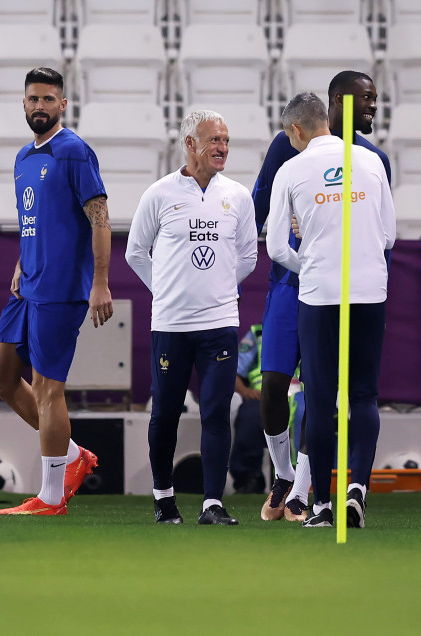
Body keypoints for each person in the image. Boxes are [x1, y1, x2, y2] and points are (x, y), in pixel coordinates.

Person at [251, 71, 390, 523]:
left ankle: (314, 498)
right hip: (320, 288)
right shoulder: (287, 150)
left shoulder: (372, 158)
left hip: (319, 288)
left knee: (322, 394)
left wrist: (310, 253)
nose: (372, 106)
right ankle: (302, 480)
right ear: (336, 103)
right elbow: (389, 236)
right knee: (281, 385)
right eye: (365, 98)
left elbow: (277, 244)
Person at [0, 67, 113, 516]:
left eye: (48, 99)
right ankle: (73, 454)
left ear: (63, 105)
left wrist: (99, 282)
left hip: (62, 288)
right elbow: (33, 220)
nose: (40, 106)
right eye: (33, 99)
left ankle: (52, 496)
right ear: (23, 104)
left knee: (46, 388)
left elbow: (99, 218)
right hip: (29, 285)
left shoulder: (74, 151)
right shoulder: (23, 158)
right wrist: (21, 260)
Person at [126, 109, 258, 525]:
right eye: (213, 141)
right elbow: (134, 253)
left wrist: (218, 289)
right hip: (171, 325)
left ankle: (212, 504)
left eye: (225, 141)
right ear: (189, 144)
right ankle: (164, 500)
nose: (222, 148)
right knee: (165, 412)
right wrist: (167, 291)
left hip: (219, 324)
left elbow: (249, 256)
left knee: (217, 412)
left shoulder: (237, 195)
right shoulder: (159, 194)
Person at [230, 324, 267, 494]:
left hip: (304, 397)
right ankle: (248, 478)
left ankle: (308, 478)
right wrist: (245, 391)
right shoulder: (258, 333)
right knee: (249, 417)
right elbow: (235, 372)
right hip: (264, 398)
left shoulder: (315, 328)